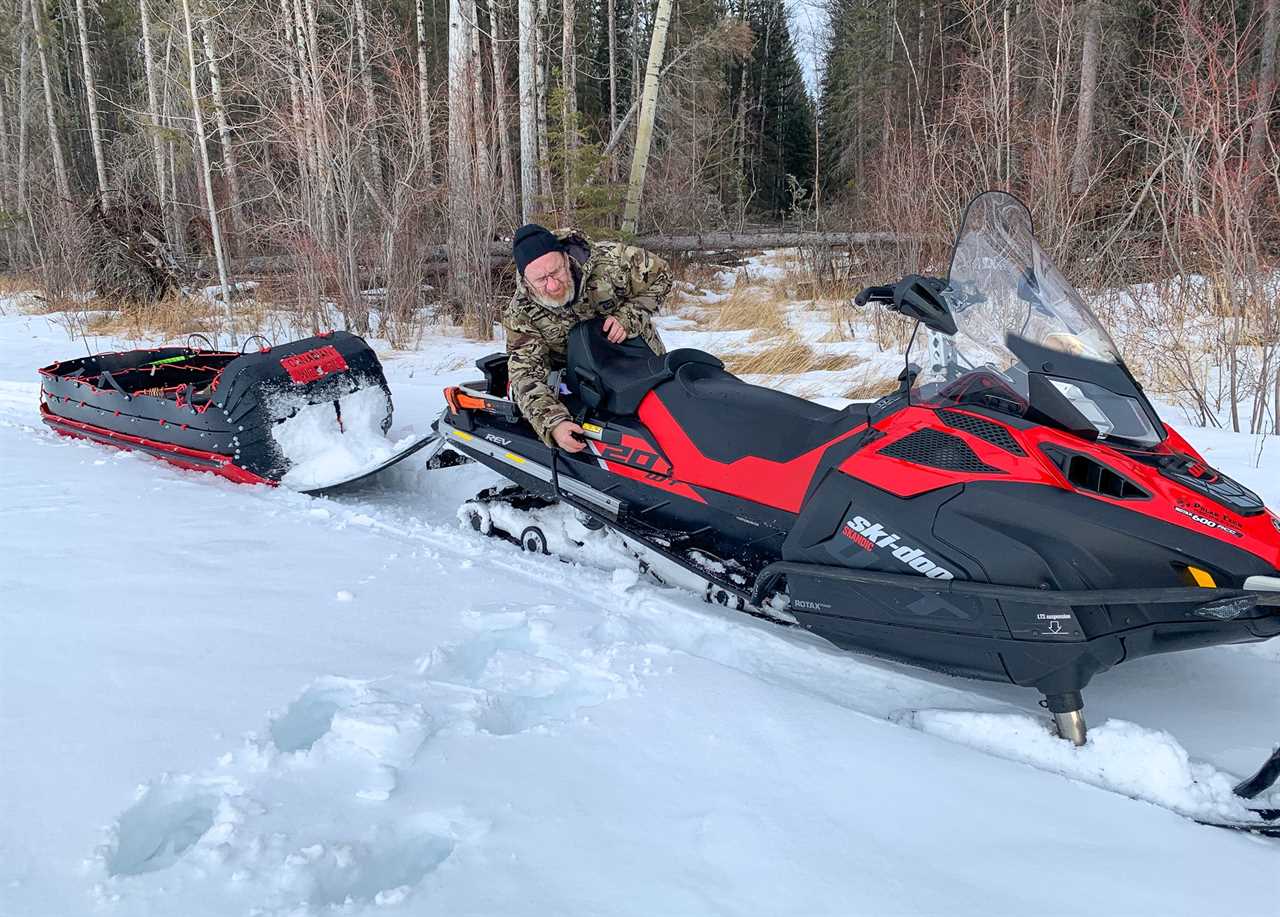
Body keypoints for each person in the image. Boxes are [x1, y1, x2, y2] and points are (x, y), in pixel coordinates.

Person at [503, 223, 671, 452]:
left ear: (566, 258)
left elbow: (662, 275)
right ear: (526, 281)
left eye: (556, 272)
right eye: (541, 280)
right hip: (585, 386)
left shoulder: (611, 261)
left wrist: (628, 317)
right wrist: (553, 423)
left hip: (643, 363)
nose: (553, 286)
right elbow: (525, 373)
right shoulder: (521, 313)